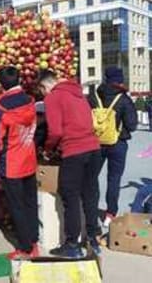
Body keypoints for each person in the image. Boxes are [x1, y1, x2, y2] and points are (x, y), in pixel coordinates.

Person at [39, 70, 102, 257]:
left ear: (44, 86)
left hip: (74, 151)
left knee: (70, 196)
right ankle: (92, 237)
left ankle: (72, 243)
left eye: (41, 91)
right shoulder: (79, 94)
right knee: (90, 193)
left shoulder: (53, 98)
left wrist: (48, 149)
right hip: (94, 149)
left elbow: (56, 132)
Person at [0, 66, 39, 260]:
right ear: (19, 80)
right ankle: (34, 241)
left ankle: (25, 248)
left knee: (16, 206)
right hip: (29, 160)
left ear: (1, 84)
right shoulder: (30, 101)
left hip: (12, 164)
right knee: (30, 202)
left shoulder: (0, 108)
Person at [89, 67, 137, 227]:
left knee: (92, 177)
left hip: (96, 142)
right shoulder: (123, 99)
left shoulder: (94, 96)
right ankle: (110, 214)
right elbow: (132, 125)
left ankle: (89, 209)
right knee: (113, 179)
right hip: (118, 143)